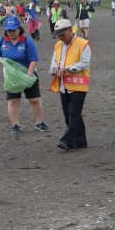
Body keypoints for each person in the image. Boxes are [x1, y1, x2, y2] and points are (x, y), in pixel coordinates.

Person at [0, 16, 49, 134]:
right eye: (9, 30)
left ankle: (39, 123)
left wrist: (28, 76)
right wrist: (2, 60)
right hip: (11, 77)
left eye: (13, 30)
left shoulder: (27, 41)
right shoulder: (2, 41)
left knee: (34, 99)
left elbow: (33, 59)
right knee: (13, 100)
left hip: (28, 73)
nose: (11, 32)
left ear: (19, 29)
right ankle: (15, 125)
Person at [49, 20, 91, 150]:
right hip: (63, 84)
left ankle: (67, 140)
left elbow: (84, 63)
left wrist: (67, 68)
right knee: (69, 114)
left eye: (62, 34)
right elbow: (54, 62)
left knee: (73, 112)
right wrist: (53, 69)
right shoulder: (58, 45)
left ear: (70, 30)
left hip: (78, 85)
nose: (61, 37)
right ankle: (80, 140)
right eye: (59, 35)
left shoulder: (83, 44)